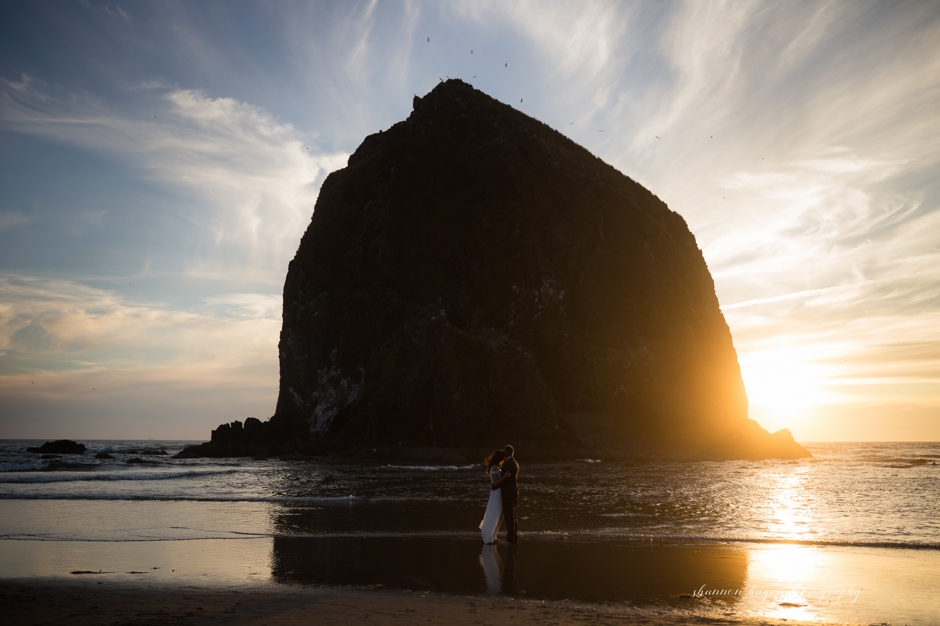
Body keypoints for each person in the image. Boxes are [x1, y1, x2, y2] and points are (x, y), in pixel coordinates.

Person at [491, 444, 519, 544]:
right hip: (514, 492)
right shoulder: (515, 463)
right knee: (513, 516)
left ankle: (510, 539)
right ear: (512, 452)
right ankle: (514, 537)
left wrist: (494, 486)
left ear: (505, 453)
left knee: (509, 516)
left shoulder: (508, 464)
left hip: (508, 493)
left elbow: (505, 480)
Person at [479, 449, 505, 544]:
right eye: (502, 458)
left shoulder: (495, 467)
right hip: (496, 493)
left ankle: (494, 536)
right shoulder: (494, 467)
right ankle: (491, 536)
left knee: (499, 513)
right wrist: (505, 476)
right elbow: (495, 482)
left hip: (498, 492)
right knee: (495, 513)